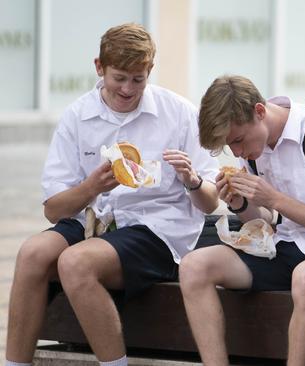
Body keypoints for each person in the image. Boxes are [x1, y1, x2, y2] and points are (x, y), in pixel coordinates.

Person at [4, 23, 219, 366]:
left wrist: (192, 179)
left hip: (157, 229)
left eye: (138, 79)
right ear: (99, 67)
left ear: (150, 71)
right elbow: (53, 210)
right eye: (119, 77)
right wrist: (92, 187)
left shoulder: (178, 112)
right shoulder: (78, 115)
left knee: (75, 263)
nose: (128, 89)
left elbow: (210, 202)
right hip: (95, 220)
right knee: (32, 253)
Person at [179, 75, 305, 366]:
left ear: (260, 111)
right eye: (228, 146)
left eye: (237, 141)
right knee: (194, 266)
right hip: (282, 244)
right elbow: (266, 222)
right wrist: (240, 203)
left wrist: (275, 200)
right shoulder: (254, 149)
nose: (236, 153)